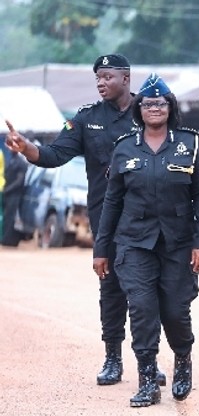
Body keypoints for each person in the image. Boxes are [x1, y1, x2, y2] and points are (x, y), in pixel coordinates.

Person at [3, 54, 167, 386]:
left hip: (149, 219)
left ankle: (148, 360)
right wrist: (26, 148)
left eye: (107, 76)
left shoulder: (149, 112)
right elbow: (54, 155)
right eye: (98, 78)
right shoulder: (87, 119)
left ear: (126, 78)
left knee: (148, 290)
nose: (101, 82)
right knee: (111, 288)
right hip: (106, 218)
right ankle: (112, 359)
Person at [92, 74, 199, 407]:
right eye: (147, 104)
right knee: (142, 309)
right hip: (134, 243)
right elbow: (112, 201)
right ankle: (147, 380)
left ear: (170, 107)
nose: (154, 108)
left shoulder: (190, 143)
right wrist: (102, 249)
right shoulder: (125, 148)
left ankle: (183, 359)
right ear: (138, 109)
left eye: (160, 103)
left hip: (178, 243)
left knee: (175, 311)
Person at [1, 149, 26, 246]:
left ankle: (7, 240)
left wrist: (7, 189)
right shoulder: (11, 160)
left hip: (15, 195)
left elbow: (19, 182)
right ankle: (4, 238)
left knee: (10, 218)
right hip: (7, 193)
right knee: (6, 216)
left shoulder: (21, 163)